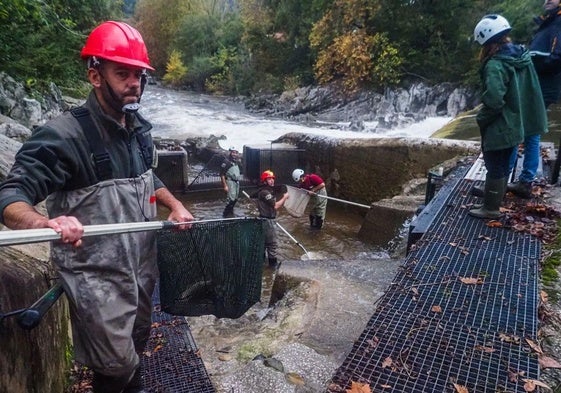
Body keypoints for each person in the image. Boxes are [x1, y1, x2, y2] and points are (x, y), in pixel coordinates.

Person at [0, 21, 194, 393]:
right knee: (116, 366)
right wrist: (46, 221)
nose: (133, 82)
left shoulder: (138, 131)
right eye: (122, 73)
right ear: (95, 75)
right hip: (96, 278)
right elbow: (10, 197)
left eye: (138, 75)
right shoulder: (63, 137)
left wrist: (174, 205)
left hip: (140, 270)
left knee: (136, 345)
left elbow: (148, 179)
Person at [470, 14, 548, 218]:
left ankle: (490, 208)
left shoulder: (495, 64)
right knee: (503, 163)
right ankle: (495, 198)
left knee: (494, 164)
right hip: (517, 121)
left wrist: (482, 118)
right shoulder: (521, 56)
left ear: (485, 41)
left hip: (501, 123)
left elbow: (494, 100)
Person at [508, 0, 561, 198]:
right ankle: (522, 180)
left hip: (542, 87)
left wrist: (531, 61)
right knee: (529, 131)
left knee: (524, 129)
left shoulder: (558, 23)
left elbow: (557, 58)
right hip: (537, 86)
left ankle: (514, 179)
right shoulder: (549, 22)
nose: (548, 0)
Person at [256, 170, 289, 269]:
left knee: (264, 243)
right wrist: (284, 198)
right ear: (264, 181)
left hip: (265, 220)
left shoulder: (266, 191)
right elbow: (275, 206)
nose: (272, 181)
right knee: (272, 244)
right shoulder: (265, 192)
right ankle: (273, 265)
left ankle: (261, 263)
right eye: (269, 179)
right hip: (267, 221)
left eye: (272, 178)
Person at [220, 147, 241, 217]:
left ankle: (231, 212)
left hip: (236, 183)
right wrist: (225, 185)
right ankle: (225, 214)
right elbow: (222, 174)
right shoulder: (226, 162)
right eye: (233, 152)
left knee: (235, 198)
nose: (234, 154)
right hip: (230, 182)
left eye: (235, 152)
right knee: (230, 199)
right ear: (230, 152)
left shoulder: (236, 162)